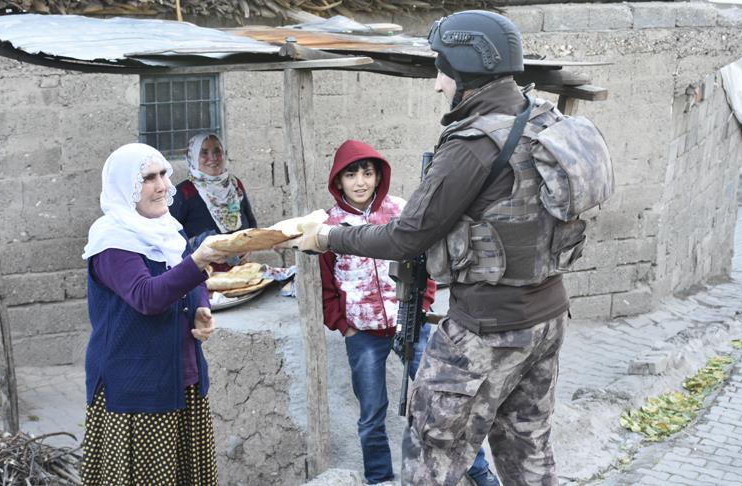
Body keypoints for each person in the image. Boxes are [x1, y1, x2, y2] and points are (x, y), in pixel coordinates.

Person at [279, 10, 589, 486]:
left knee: (431, 450)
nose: (437, 84)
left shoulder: (474, 142)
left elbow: (406, 236)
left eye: (442, 69)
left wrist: (326, 237)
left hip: (488, 328)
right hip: (547, 319)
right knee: (528, 447)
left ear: (466, 69)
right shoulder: (541, 117)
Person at [319, 140, 499, 485]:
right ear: (338, 181)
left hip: (412, 323)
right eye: (351, 175)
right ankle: (380, 479)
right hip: (364, 335)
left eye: (367, 173)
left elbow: (425, 263)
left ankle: (477, 470)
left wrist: (424, 304)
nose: (360, 182)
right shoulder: (330, 226)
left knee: (445, 401)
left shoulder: (401, 212)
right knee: (372, 414)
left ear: (378, 176)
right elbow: (327, 285)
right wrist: (344, 326)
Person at [81, 143, 237, 485]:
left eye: (164, 173)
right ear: (126, 187)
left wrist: (200, 307)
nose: (163, 185)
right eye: (148, 178)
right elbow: (146, 296)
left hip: (181, 378)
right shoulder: (112, 242)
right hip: (139, 390)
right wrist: (199, 261)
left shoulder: (167, 228)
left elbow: (184, 272)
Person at [170, 132, 257, 271]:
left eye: (217, 151)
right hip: (201, 275)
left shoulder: (234, 184)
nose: (213, 158)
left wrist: (249, 245)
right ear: (192, 157)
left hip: (240, 270)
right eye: (204, 152)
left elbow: (250, 221)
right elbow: (171, 237)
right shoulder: (183, 192)